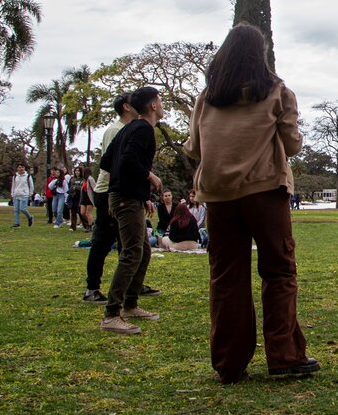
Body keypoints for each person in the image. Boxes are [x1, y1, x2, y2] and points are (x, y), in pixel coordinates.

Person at [185, 23, 316, 382]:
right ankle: (284, 357)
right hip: (264, 191)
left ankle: (229, 363)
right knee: (278, 271)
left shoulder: (207, 97)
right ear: (261, 54)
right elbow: (291, 145)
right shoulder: (276, 92)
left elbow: (194, 148)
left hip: (220, 198)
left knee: (227, 278)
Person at [98, 86, 163, 334]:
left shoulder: (127, 129)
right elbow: (127, 160)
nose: (162, 104)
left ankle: (131, 304)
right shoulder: (144, 128)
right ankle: (112, 313)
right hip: (125, 198)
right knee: (132, 252)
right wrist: (149, 177)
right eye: (160, 100)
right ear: (153, 105)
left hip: (127, 195)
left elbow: (107, 161)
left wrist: (141, 193)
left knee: (143, 251)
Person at [10, 163, 34, 228]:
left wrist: (30, 194)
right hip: (16, 195)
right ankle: (17, 223)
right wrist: (12, 193)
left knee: (23, 209)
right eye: (19, 167)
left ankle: (30, 217)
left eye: (22, 167)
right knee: (16, 210)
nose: (21, 169)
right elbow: (13, 185)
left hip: (24, 195)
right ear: (17, 168)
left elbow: (31, 186)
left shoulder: (28, 176)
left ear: (24, 168)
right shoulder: (15, 176)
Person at [67, 166, 85, 231]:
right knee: (73, 212)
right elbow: (69, 187)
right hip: (72, 197)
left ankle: (86, 225)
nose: (77, 172)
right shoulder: (72, 179)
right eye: (76, 171)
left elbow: (82, 188)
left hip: (80, 197)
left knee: (81, 212)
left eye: (78, 171)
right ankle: (73, 226)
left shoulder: (83, 179)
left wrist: (76, 187)